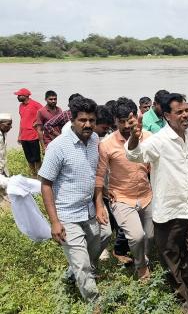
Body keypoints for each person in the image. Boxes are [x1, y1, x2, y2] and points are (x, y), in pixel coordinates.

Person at [125, 93, 188, 312]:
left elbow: (185, 162)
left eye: (185, 111)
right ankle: (181, 296)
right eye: (179, 112)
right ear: (168, 115)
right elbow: (135, 155)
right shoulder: (158, 141)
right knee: (170, 256)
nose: (185, 115)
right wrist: (134, 136)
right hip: (169, 210)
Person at [39, 97, 102, 301]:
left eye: (92, 120)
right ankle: (94, 302)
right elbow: (46, 184)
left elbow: (94, 174)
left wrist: (99, 204)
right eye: (82, 120)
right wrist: (55, 222)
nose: (88, 125)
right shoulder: (58, 146)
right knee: (82, 262)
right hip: (67, 214)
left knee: (104, 236)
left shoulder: (94, 141)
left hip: (89, 210)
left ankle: (72, 274)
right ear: (72, 120)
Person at [95, 97, 154, 280]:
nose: (126, 126)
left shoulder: (148, 138)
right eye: (121, 122)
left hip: (146, 195)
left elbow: (155, 167)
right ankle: (141, 267)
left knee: (151, 237)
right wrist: (99, 203)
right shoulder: (106, 145)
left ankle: (145, 258)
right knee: (136, 237)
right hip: (121, 198)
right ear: (115, 121)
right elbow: (99, 175)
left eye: (129, 121)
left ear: (136, 118)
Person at [15, 88, 43, 177]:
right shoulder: (21, 106)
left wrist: (37, 122)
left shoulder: (35, 104)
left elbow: (44, 113)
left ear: (26, 96)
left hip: (33, 135)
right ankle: (33, 175)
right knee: (29, 158)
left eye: (19, 95)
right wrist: (19, 135)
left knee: (36, 158)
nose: (18, 97)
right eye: (18, 95)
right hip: (24, 136)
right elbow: (22, 120)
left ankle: (40, 175)